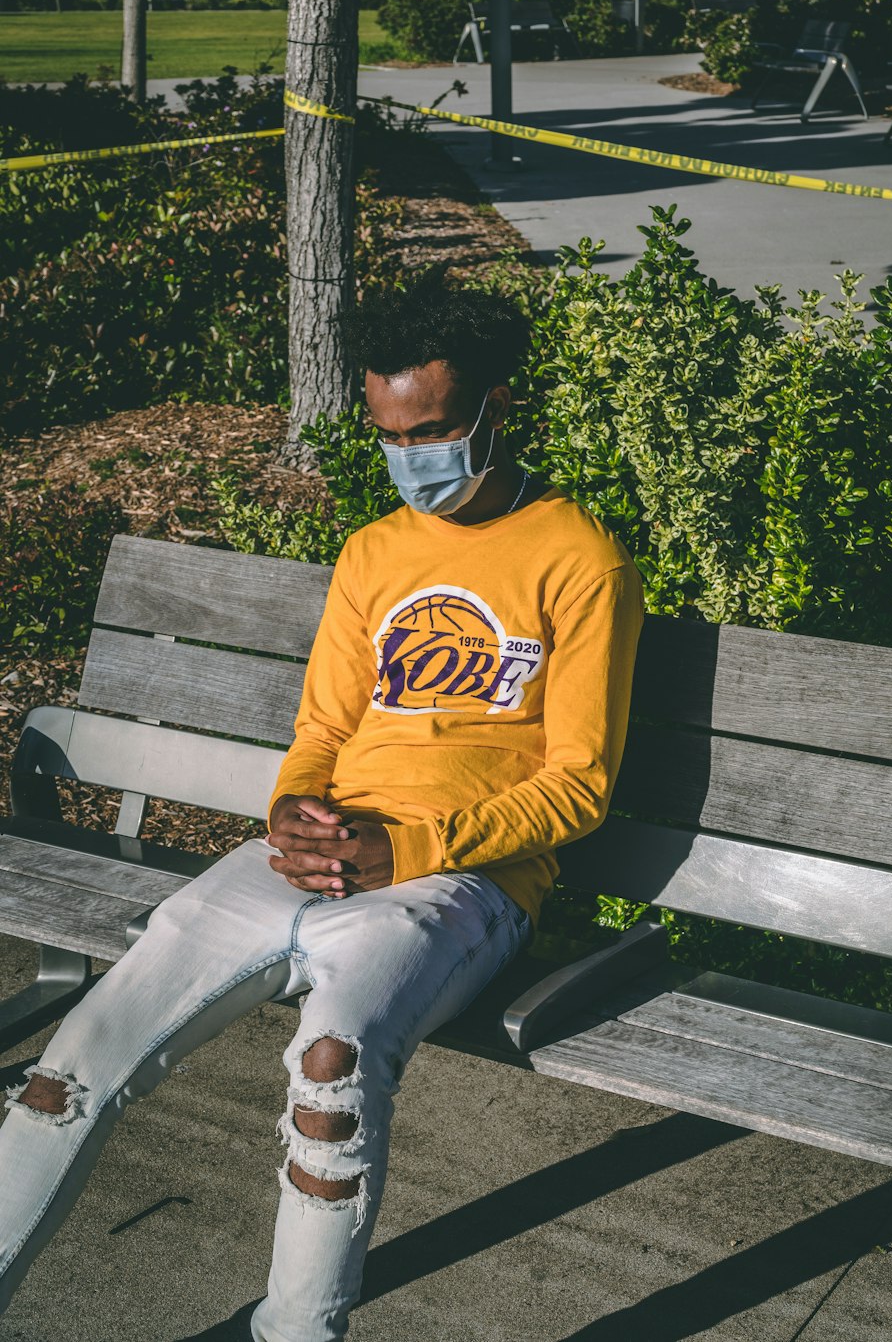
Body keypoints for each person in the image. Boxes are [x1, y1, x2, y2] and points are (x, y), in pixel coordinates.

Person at [0, 282, 644, 1341]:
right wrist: (295, 805)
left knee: (330, 1075)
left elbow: (579, 786)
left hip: (462, 880)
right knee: (71, 1067)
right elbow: (321, 733)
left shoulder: (579, 557)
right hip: (313, 854)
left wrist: (413, 846)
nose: (410, 456)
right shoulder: (373, 553)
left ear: (497, 410)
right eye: (391, 433)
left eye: (433, 429)